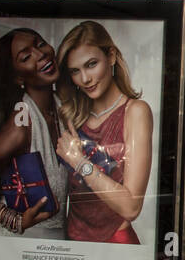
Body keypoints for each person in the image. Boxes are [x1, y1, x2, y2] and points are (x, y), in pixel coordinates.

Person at [0, 27, 68, 237]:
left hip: (53, 245)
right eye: (26, 57)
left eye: (40, 44)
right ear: (17, 78)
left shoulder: (60, 108)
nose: (41, 54)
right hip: (18, 248)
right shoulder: (22, 123)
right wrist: (14, 220)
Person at [53, 21, 152, 244]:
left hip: (115, 244)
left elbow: (131, 207)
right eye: (75, 71)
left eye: (91, 64)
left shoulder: (135, 112)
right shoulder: (71, 116)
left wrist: (79, 162)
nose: (85, 79)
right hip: (72, 245)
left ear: (111, 56)